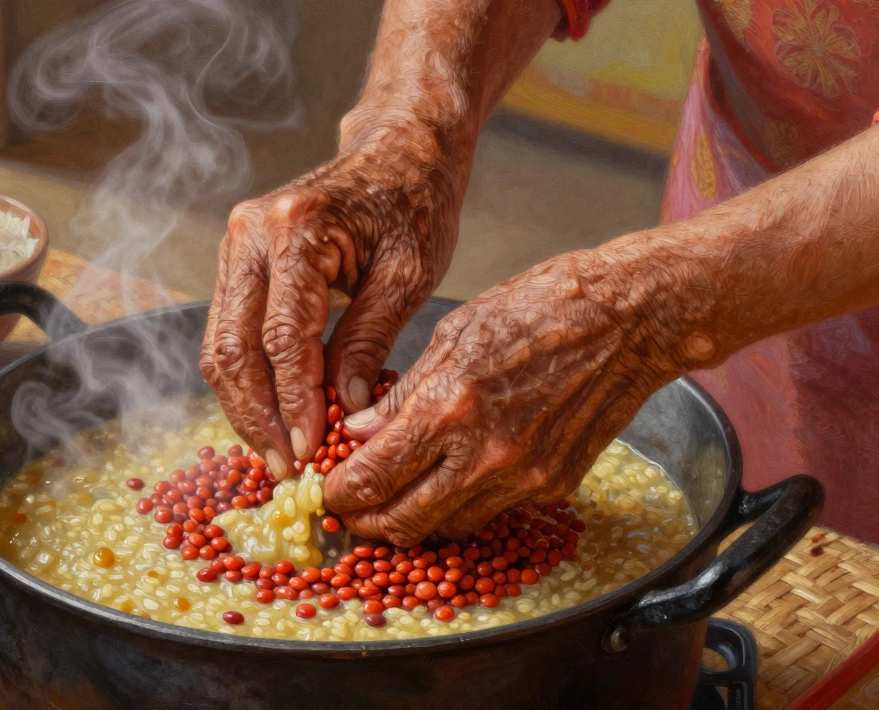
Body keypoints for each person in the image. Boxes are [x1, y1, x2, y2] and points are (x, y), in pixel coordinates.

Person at [200, 0, 879, 546]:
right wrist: (410, 123)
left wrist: (647, 309)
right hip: (750, 217)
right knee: (748, 527)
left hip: (786, 257)